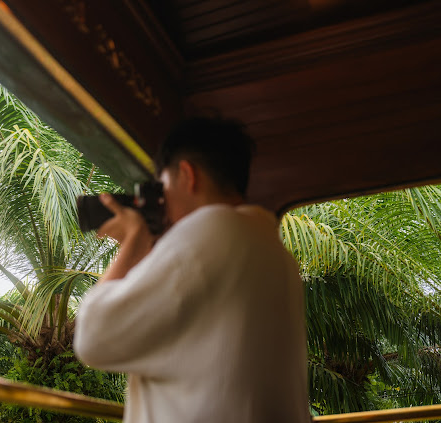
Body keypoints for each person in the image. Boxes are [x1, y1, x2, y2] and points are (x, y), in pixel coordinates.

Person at [74, 117, 310, 422]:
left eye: (164, 188)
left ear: (187, 174)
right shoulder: (274, 252)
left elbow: (92, 337)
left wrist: (135, 239)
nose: (164, 204)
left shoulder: (209, 232)